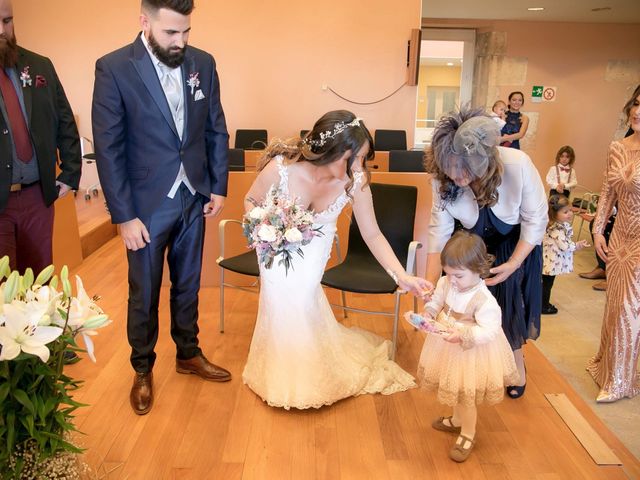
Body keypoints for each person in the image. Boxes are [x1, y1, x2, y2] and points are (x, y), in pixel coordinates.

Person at [92, 0, 231, 415]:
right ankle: (142, 368)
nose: (181, 41)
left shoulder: (202, 63)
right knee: (145, 291)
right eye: (171, 33)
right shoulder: (114, 67)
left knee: (188, 283)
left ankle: (188, 352)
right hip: (145, 206)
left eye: (186, 32)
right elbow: (109, 148)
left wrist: (218, 186)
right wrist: (123, 216)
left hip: (194, 196)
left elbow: (216, 126)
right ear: (144, 22)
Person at [241, 110, 431, 410]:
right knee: (277, 303)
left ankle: (306, 377)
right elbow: (250, 200)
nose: (359, 167)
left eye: (363, 159)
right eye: (353, 158)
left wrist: (402, 275)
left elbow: (373, 235)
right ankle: (279, 371)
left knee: (303, 300)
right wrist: (263, 224)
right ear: (332, 151)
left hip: (313, 255)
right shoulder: (281, 169)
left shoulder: (355, 183)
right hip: (274, 253)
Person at [424, 106, 547, 399]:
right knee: (467, 308)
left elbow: (536, 219)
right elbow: (439, 231)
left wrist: (515, 263)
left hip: (515, 244)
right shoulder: (443, 178)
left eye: (464, 168)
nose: (456, 176)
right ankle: (480, 365)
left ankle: (515, 360)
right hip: (470, 244)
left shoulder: (517, 164)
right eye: (450, 168)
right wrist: (430, 285)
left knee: (509, 306)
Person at [417, 231, 519, 463]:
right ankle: (456, 420)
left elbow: (490, 331)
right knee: (454, 385)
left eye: (458, 276)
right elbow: (437, 299)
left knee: (466, 395)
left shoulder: (484, 300)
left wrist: (464, 336)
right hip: (447, 344)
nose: (452, 280)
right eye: (448, 273)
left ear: (478, 270)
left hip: (470, 350)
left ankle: (468, 433)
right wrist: (430, 311)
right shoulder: (446, 282)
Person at [0, 0, 81, 274]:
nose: (2, 30)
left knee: (40, 287)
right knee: (4, 295)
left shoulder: (39, 66)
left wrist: (70, 172)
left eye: (7, 21)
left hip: (38, 197)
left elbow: (65, 120)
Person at [587, 85, 640, 403]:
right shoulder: (617, 147)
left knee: (628, 310)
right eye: (636, 103)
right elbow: (607, 192)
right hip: (619, 237)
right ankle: (611, 369)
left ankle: (621, 381)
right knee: (615, 306)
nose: (637, 111)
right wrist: (597, 231)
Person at [541, 194, 589, 314]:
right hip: (549, 262)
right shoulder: (556, 229)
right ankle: (543, 305)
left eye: (571, 211)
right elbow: (565, 246)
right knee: (546, 284)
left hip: (548, 261)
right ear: (554, 213)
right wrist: (577, 245)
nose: (570, 214)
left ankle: (542, 302)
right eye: (565, 212)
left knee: (546, 283)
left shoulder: (556, 225)